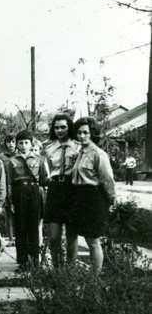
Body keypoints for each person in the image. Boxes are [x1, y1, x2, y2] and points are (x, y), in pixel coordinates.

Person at [71, 118, 115, 273]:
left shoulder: (98, 154)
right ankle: (88, 275)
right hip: (80, 197)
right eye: (79, 132)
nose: (82, 136)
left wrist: (111, 200)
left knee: (93, 240)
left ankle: (94, 278)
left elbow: (107, 179)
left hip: (93, 198)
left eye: (85, 132)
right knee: (83, 238)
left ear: (92, 133)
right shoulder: (80, 153)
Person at [6, 130, 48, 268]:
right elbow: (9, 183)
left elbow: (43, 181)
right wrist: (11, 201)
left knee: (33, 227)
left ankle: (35, 260)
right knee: (21, 227)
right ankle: (22, 261)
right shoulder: (12, 162)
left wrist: (43, 200)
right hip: (19, 193)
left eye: (26, 143)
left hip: (34, 192)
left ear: (31, 144)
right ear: (17, 145)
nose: (23, 145)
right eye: (20, 143)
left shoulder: (39, 160)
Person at [43, 114, 80, 267]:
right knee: (54, 235)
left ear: (69, 127)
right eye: (56, 127)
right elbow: (48, 170)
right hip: (55, 189)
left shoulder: (78, 146)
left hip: (72, 189)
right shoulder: (49, 147)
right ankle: (57, 269)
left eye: (63, 127)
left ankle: (70, 271)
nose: (59, 130)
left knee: (72, 235)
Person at [0, 134, 17, 241]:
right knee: (8, 212)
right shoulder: (1, 157)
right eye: (9, 142)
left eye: (13, 142)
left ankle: (19, 236)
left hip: (17, 186)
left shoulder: (20, 155)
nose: (11, 144)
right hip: (6, 185)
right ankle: (10, 237)